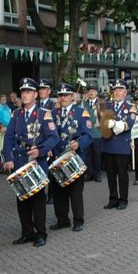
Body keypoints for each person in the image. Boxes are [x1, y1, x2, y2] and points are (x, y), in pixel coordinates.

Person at [3, 78, 58, 247]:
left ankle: (41, 233)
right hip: (19, 159)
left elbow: (53, 138)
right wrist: (8, 158)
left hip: (36, 161)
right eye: (23, 92)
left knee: (37, 199)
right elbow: (8, 138)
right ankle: (27, 232)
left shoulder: (44, 114)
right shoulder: (17, 114)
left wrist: (40, 150)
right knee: (22, 199)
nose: (25, 95)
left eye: (28, 92)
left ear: (35, 94)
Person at [48, 82, 92, 232]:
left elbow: (88, 135)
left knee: (75, 192)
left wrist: (79, 144)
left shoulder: (81, 112)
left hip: (75, 157)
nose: (63, 97)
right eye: (60, 95)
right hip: (57, 158)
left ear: (72, 96)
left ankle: (78, 219)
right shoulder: (53, 114)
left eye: (66, 95)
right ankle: (62, 220)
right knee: (58, 191)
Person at [101, 79, 136, 210]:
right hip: (109, 145)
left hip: (121, 145)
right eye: (115, 90)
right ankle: (113, 198)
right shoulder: (108, 106)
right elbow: (102, 123)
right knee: (110, 174)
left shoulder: (130, 107)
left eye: (120, 90)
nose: (117, 92)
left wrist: (116, 125)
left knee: (122, 174)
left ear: (125, 92)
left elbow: (130, 124)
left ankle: (123, 199)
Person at [81, 83, 103, 182]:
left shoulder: (101, 103)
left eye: (93, 91)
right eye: (89, 91)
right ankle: (89, 173)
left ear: (97, 93)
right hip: (86, 133)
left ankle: (97, 174)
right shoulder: (83, 103)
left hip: (97, 132)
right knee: (87, 154)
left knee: (97, 154)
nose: (91, 93)